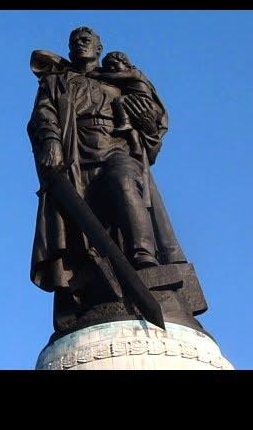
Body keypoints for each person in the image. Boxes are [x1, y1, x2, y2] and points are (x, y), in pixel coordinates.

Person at [27, 27, 195, 333]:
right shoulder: (57, 82)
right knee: (79, 230)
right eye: (75, 41)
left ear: (99, 47)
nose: (80, 44)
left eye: (86, 40)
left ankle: (143, 258)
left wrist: (148, 121)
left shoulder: (119, 82)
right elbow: (43, 116)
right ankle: (91, 287)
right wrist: (51, 142)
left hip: (115, 148)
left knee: (124, 182)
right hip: (75, 156)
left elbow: (152, 118)